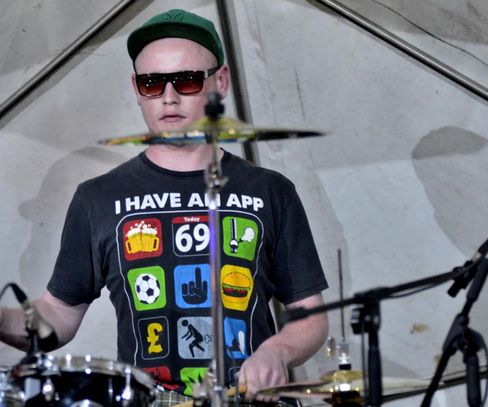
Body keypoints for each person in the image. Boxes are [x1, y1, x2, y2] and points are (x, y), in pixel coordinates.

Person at [0, 8, 329, 404]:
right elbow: (59, 314)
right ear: (137, 89)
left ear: (221, 81)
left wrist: (277, 351)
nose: (169, 97)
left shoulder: (270, 191)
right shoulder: (97, 198)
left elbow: (310, 316)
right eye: (152, 83)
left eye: (187, 80)